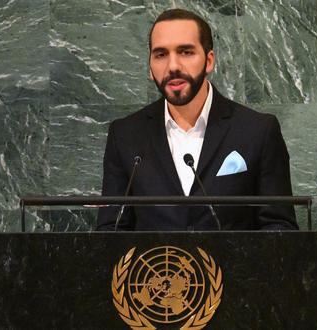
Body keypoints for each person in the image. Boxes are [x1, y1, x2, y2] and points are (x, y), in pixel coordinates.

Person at [96, 9, 297, 231]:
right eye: (161, 54)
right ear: (150, 66)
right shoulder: (125, 135)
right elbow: (110, 233)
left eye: (186, 52)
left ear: (209, 61)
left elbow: (280, 230)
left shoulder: (258, 131)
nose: (172, 66)